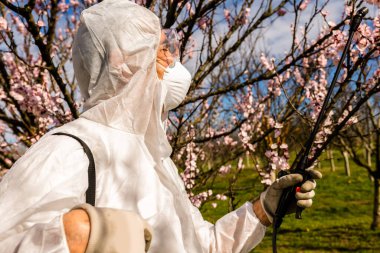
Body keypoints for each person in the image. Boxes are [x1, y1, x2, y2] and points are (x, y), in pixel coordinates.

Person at [0, 1, 322, 252]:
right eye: (162, 49)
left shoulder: (157, 161)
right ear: (121, 62)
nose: (172, 61)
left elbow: (203, 246)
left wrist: (263, 210)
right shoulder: (69, 150)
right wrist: (79, 235)